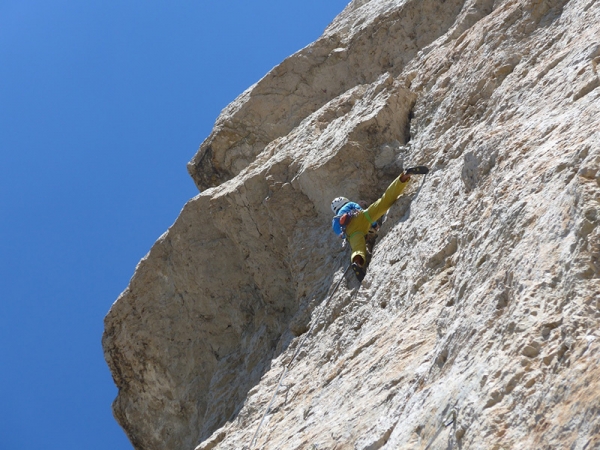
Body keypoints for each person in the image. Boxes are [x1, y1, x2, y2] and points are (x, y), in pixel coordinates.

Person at [331, 167, 427, 281]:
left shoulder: (335, 220)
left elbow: (341, 234)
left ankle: (357, 262)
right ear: (344, 201)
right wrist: (374, 224)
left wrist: (355, 235)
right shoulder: (349, 204)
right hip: (362, 216)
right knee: (385, 200)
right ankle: (404, 177)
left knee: (358, 248)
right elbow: (359, 209)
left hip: (353, 232)